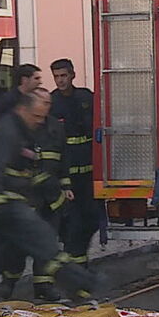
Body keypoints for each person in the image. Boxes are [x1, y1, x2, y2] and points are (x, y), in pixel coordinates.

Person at [0, 93, 101, 313]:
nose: (40, 120)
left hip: (10, 202)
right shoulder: (7, 132)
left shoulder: (24, 131)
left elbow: (27, 172)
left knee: (4, 255)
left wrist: (46, 190)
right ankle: (81, 288)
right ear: (23, 110)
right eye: (37, 115)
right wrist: (1, 203)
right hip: (4, 203)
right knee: (44, 240)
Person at [0, 88, 73, 301]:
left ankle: (44, 286)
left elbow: (64, 157)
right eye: (41, 103)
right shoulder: (19, 127)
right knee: (16, 245)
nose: (45, 108)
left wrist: (66, 186)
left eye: (47, 103)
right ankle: (8, 284)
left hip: (51, 196)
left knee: (47, 244)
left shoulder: (56, 126)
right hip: (26, 194)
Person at [50, 58, 100, 266]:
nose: (60, 81)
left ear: (73, 75)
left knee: (92, 219)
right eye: (56, 77)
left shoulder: (86, 97)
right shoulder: (51, 102)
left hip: (89, 174)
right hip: (67, 176)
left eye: (63, 76)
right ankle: (77, 266)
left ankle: (78, 259)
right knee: (72, 223)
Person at [0, 63, 42, 134]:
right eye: (36, 78)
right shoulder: (8, 99)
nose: (40, 82)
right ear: (24, 80)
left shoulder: (32, 98)